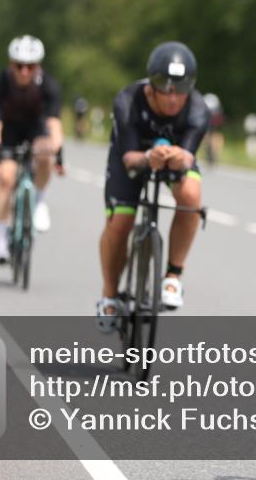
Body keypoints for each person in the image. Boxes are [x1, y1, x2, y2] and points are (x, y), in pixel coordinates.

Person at [96, 42, 209, 330]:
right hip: (133, 156)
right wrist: (150, 156)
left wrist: (176, 157)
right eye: (165, 87)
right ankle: (109, 295)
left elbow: (188, 157)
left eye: (181, 88)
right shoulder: (128, 100)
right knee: (120, 222)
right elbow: (130, 159)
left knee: (191, 196)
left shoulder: (198, 108)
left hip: (172, 159)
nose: (173, 97)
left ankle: (173, 276)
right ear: (151, 86)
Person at [0, 35, 64, 264]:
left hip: (36, 128)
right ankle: (1, 239)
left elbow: (54, 125)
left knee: (44, 153)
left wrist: (57, 153)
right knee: (6, 178)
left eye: (30, 66)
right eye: (19, 65)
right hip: (10, 129)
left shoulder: (49, 85)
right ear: (11, 64)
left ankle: (39, 202)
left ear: (37, 66)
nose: (24, 71)